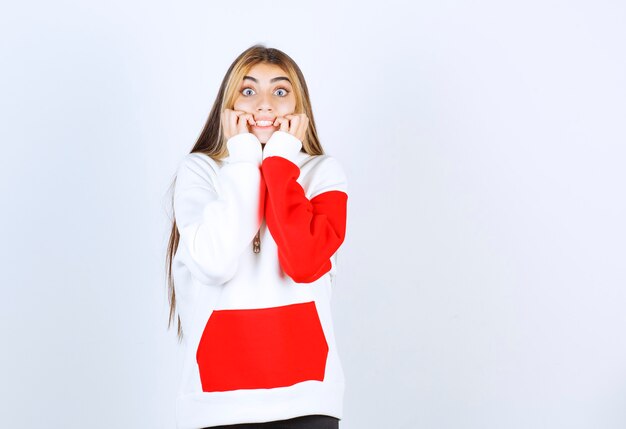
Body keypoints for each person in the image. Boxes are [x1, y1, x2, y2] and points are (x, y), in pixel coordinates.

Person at [164, 44, 349, 429]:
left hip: (307, 397)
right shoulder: (198, 171)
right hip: (218, 399)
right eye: (248, 91)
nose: (265, 104)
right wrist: (244, 159)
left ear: (300, 108)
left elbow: (303, 263)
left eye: (280, 92)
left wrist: (280, 163)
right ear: (227, 105)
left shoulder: (322, 174)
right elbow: (214, 263)